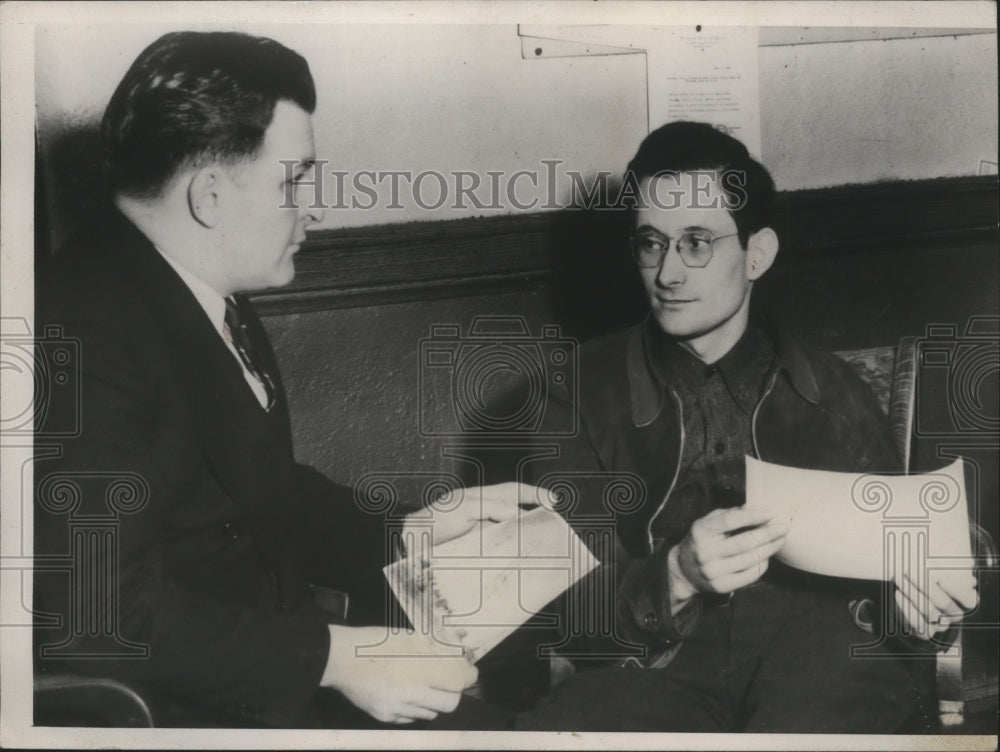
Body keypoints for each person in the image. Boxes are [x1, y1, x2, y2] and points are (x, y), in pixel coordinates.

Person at [33, 30, 540, 729]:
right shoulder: (81, 329)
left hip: (249, 676)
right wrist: (337, 658)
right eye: (292, 179)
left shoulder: (190, 288)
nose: (313, 206)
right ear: (210, 195)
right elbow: (98, 610)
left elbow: (249, 493)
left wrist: (411, 532)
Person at [509, 121, 980, 732]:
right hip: (655, 674)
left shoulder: (834, 390)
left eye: (697, 242)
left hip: (820, 664)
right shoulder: (572, 391)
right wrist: (676, 573)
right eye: (651, 243)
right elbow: (561, 605)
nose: (669, 273)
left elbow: (895, 577)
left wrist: (921, 608)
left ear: (756, 254)